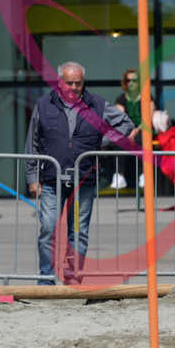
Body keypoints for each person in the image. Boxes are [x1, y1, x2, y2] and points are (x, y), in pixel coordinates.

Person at [25, 62, 134, 285]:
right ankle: (46, 279)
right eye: (69, 83)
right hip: (51, 180)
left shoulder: (97, 104)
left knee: (78, 232)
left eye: (78, 83)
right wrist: (32, 178)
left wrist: (102, 142)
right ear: (59, 82)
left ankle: (72, 276)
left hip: (84, 179)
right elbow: (32, 143)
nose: (74, 87)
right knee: (48, 229)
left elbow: (126, 124)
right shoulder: (43, 105)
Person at [110, 68, 145, 189]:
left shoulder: (146, 97)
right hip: (127, 130)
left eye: (134, 80)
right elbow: (120, 118)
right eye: (128, 80)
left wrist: (135, 131)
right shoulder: (121, 98)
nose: (131, 83)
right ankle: (119, 175)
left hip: (143, 129)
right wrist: (129, 131)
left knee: (142, 140)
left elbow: (147, 119)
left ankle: (144, 175)